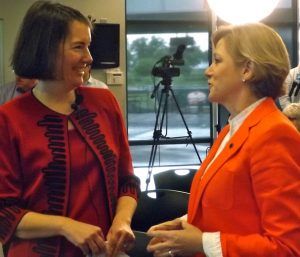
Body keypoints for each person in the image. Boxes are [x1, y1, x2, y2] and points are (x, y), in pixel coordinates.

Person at [147, 23, 300, 257]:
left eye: (217, 61)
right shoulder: (233, 129)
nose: (208, 71)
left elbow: (287, 248)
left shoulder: (274, 134)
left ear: (247, 69)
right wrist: (183, 227)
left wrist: (202, 243)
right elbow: (232, 207)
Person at [0, 2, 140, 257]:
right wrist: (66, 226)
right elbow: (4, 212)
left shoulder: (105, 102)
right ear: (46, 50)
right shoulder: (8, 118)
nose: (89, 57)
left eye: (88, 46)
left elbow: (127, 181)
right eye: (79, 47)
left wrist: (122, 221)